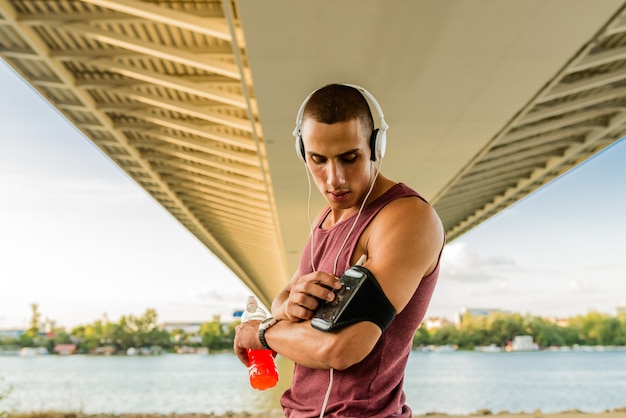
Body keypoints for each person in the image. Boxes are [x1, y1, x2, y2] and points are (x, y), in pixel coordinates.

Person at [234, 83, 445, 417]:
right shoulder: (324, 218)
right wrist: (291, 305)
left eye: (349, 158)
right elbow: (281, 300)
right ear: (303, 152)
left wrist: (260, 334)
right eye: (319, 160)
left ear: (376, 146)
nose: (334, 179)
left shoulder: (405, 218)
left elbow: (341, 349)